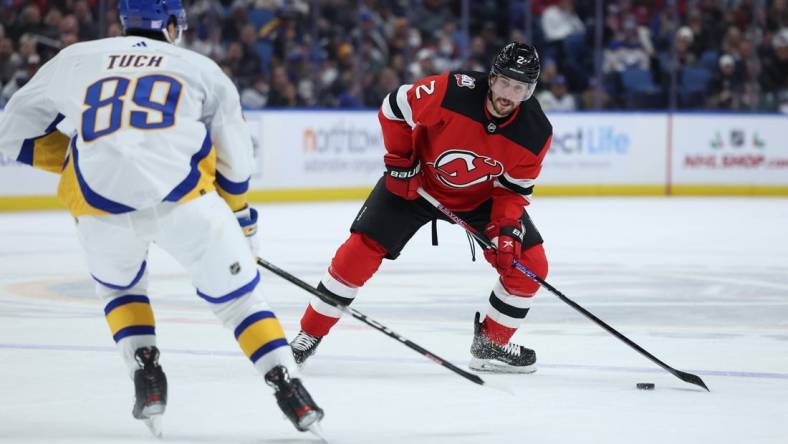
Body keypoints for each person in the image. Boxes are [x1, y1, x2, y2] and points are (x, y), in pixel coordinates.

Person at [0, 0, 323, 437]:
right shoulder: (201, 68)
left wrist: (76, 160)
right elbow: (236, 162)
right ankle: (286, 382)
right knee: (239, 302)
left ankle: (145, 368)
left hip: (99, 209)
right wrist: (242, 222)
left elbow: (13, 132)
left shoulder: (76, 58)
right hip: (186, 203)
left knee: (121, 289)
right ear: (171, 25)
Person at [291, 42, 553, 373]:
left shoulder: (536, 131)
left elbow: (512, 192)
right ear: (492, 77)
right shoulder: (450, 92)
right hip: (416, 184)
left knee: (529, 264)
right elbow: (392, 109)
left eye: (520, 88)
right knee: (356, 254)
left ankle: (491, 344)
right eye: (504, 83)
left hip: (480, 200)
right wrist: (402, 162)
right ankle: (307, 336)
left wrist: (505, 229)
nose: (508, 95)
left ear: (530, 90)